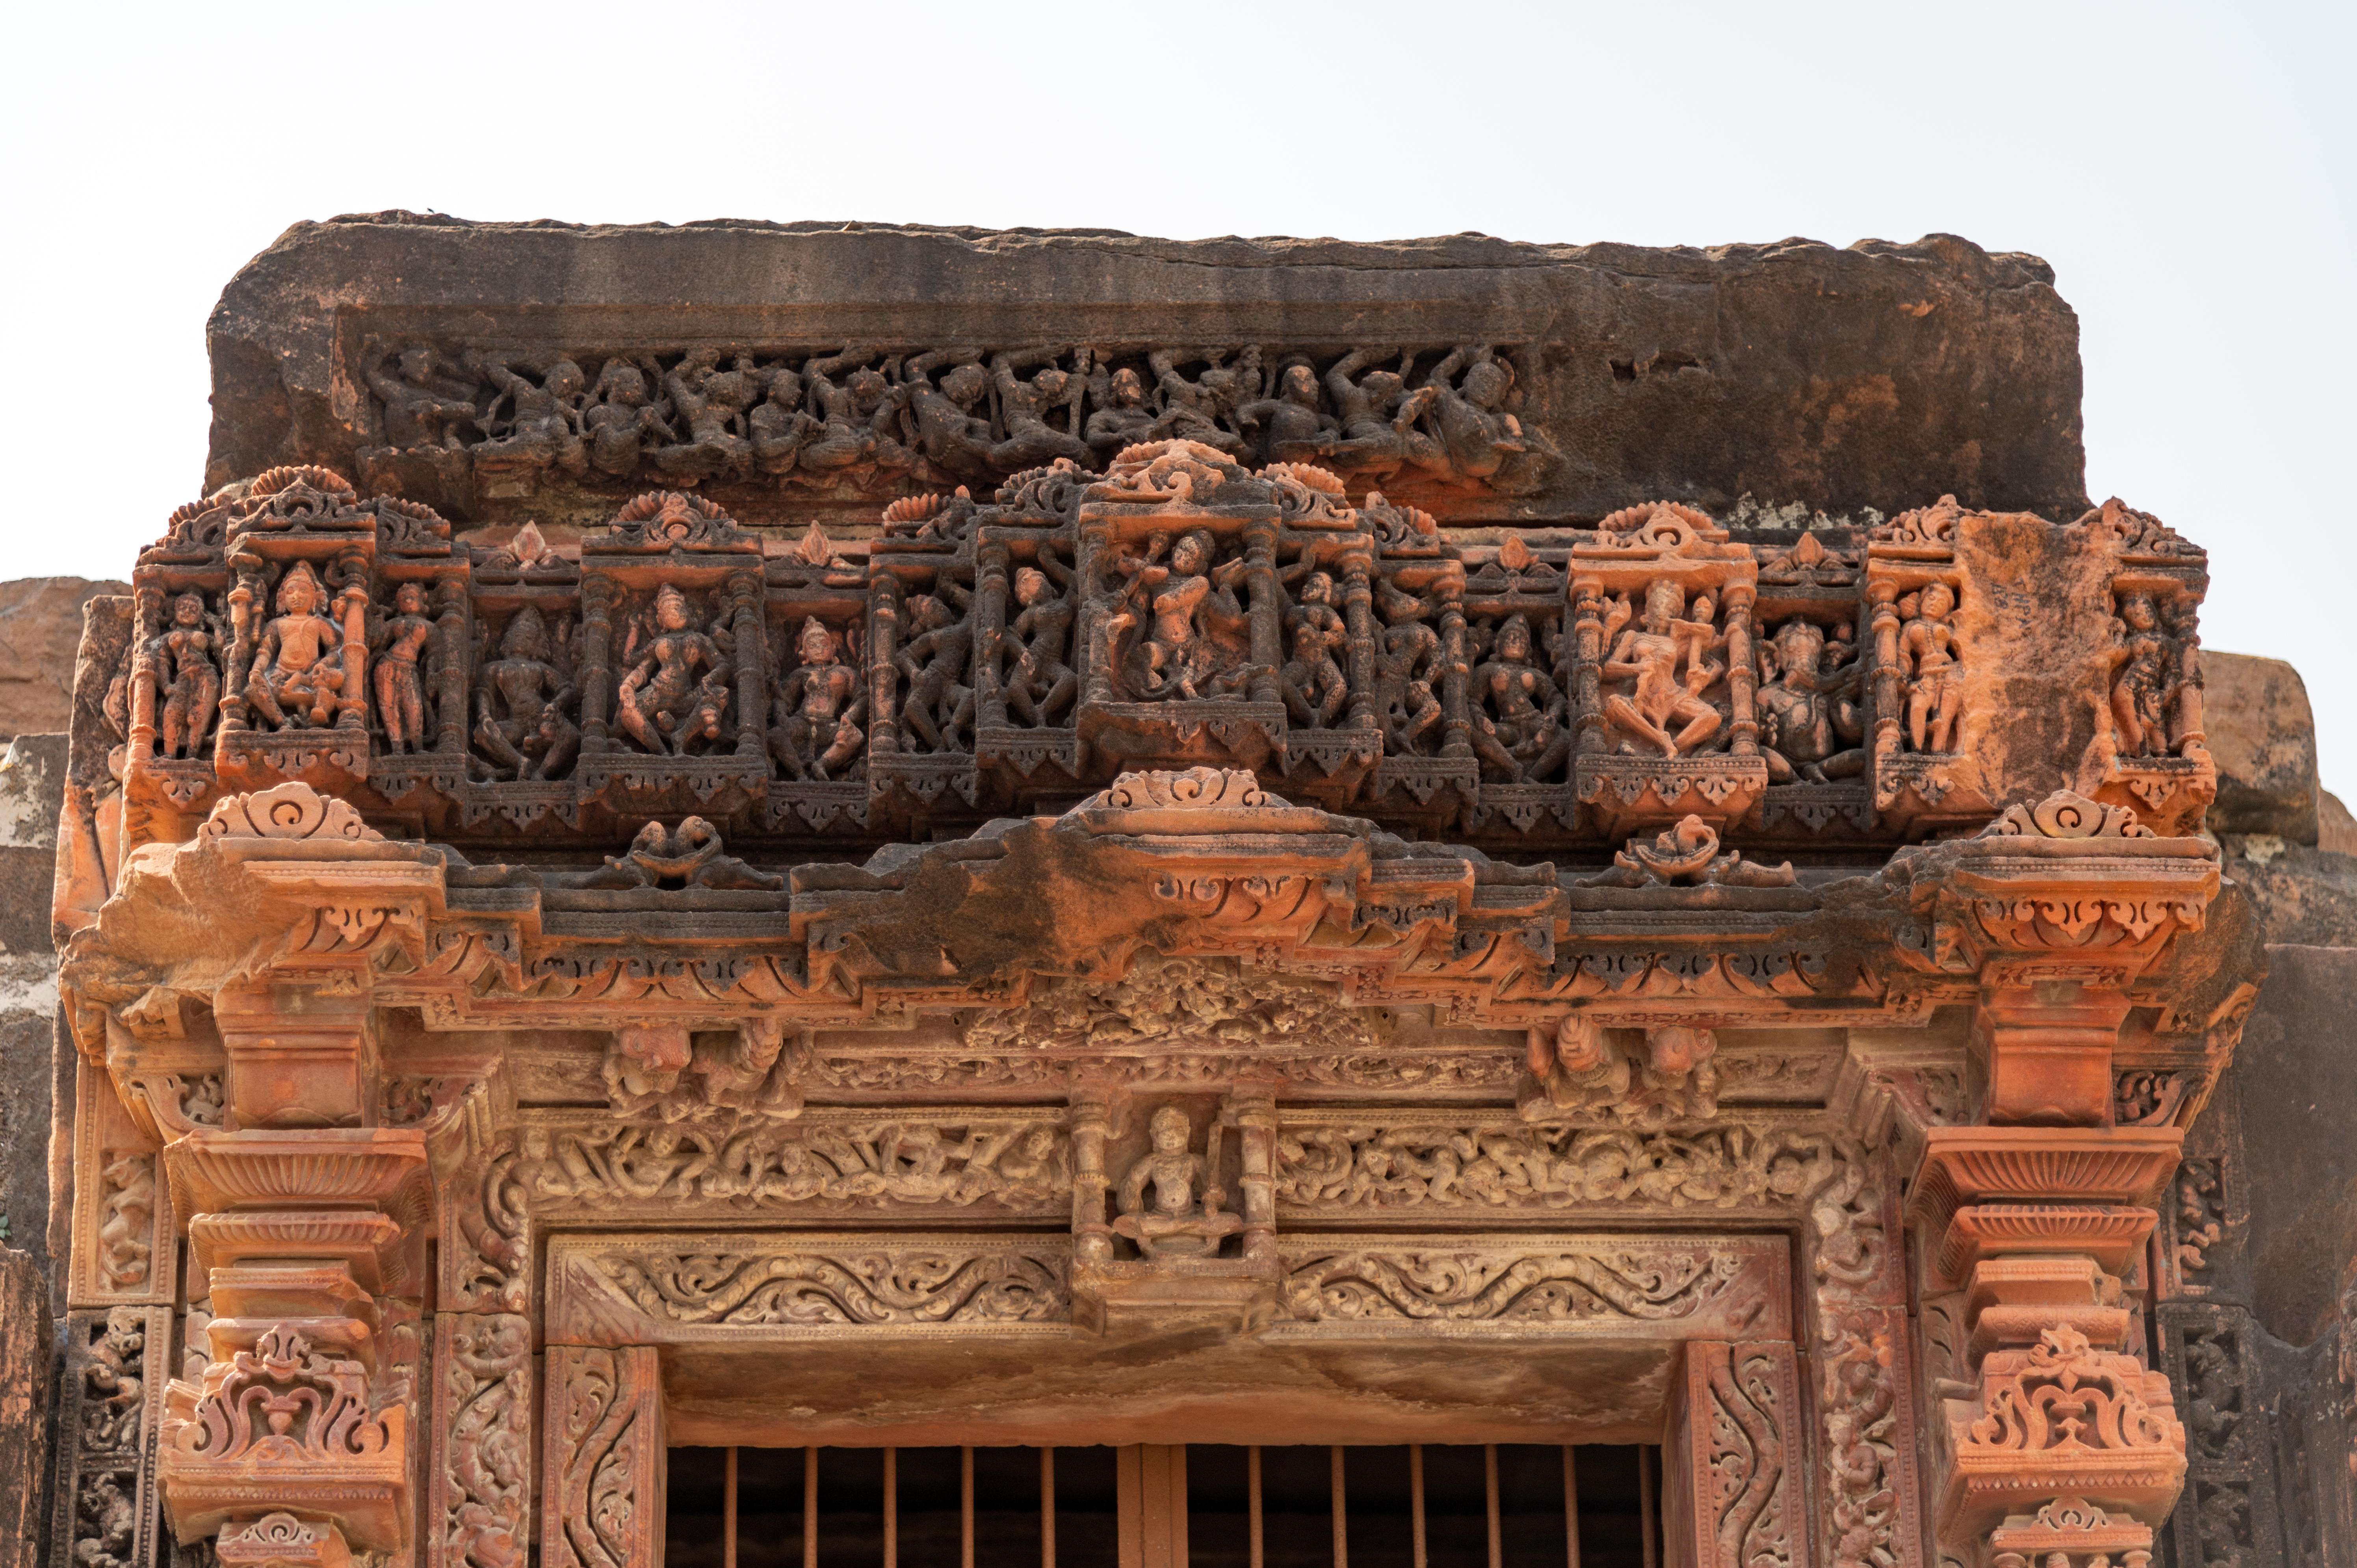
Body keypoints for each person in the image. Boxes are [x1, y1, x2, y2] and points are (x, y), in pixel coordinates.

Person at [773, 617, 867, 781]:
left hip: (828, 725)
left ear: (833, 649)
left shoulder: (844, 673)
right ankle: (799, 773)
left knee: (856, 737)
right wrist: (782, 717)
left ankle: (823, 764)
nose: (819, 649)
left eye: (824, 645)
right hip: (802, 722)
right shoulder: (802, 673)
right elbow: (782, 699)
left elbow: (863, 695)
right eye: (813, 646)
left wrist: (849, 717)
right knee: (775, 735)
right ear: (805, 654)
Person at [1899, 582, 1964, 753]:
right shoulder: (1909, 627)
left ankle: (1939, 751)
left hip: (1950, 672)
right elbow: (1904, 659)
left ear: (1946, 612)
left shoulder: (1949, 629)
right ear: (1921, 601)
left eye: (1941, 603)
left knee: (1945, 716)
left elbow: (1964, 650)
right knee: (1918, 707)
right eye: (1931, 598)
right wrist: (1907, 683)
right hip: (1926, 674)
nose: (1934, 604)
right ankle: (1916, 751)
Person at [373, 582, 438, 754]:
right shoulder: (396, 621)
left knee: (414, 706)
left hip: (410, 668)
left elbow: (434, 653)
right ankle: (397, 750)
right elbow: (378, 640)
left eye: (412, 596)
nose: (408, 600)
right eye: (403, 599)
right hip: (387, 663)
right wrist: (378, 616)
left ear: (423, 599)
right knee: (389, 708)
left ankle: (418, 747)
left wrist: (431, 674)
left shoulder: (431, 628)